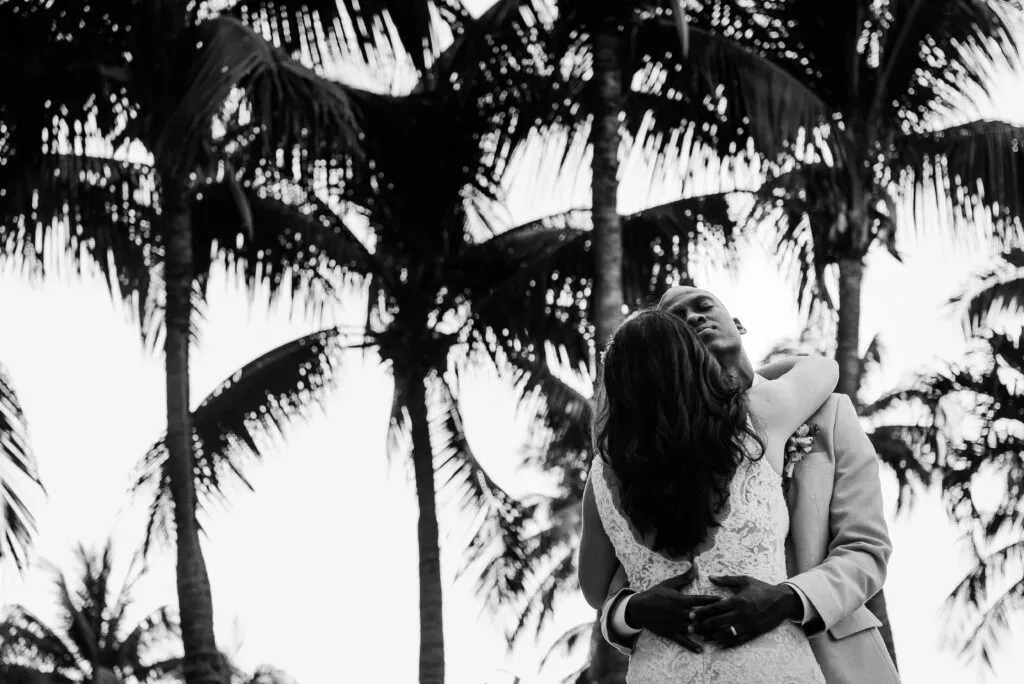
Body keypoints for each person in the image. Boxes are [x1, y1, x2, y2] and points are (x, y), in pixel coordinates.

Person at [580, 287, 900, 684]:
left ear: (739, 324)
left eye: (704, 305)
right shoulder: (647, 458)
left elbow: (866, 550)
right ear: (673, 350)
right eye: (678, 320)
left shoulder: (827, 412)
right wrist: (631, 611)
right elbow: (613, 586)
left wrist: (789, 598)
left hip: (832, 658)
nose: (695, 318)